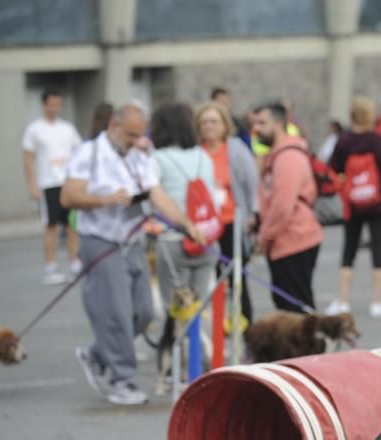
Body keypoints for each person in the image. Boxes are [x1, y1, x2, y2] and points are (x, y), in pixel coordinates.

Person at [61, 102, 203, 405]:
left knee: (144, 312)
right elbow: (68, 196)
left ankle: (98, 354)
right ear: (113, 127)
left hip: (132, 241)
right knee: (116, 312)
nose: (137, 141)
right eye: (131, 134)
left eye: (141, 134)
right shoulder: (89, 153)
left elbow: (158, 196)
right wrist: (106, 198)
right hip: (101, 241)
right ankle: (121, 379)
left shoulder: (140, 157)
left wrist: (185, 223)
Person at [327, 96, 381, 318]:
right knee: (378, 249)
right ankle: (377, 302)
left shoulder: (343, 141)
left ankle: (343, 300)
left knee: (349, 249)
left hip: (352, 202)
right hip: (378, 202)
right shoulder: (380, 142)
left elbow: (333, 168)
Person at [252, 102, 322, 312]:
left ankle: (310, 346)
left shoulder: (288, 157)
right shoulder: (278, 155)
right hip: (286, 239)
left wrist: (264, 237)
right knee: (288, 304)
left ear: (279, 123)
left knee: (295, 307)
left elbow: (283, 205)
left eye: (262, 123)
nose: (256, 129)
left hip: (294, 238)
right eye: (255, 123)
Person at [150, 103, 217, 317]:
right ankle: (201, 348)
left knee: (176, 310)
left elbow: (156, 197)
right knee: (200, 305)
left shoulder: (157, 159)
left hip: (173, 240)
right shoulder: (203, 156)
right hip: (205, 239)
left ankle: (179, 349)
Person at [195, 101, 258, 326]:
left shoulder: (235, 149)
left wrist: (253, 213)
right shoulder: (194, 151)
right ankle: (209, 331)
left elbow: (251, 183)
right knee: (204, 278)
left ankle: (246, 327)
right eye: (204, 122)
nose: (209, 126)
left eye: (214, 121)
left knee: (237, 278)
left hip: (231, 221)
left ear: (224, 125)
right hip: (203, 225)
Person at [22, 88, 83, 285]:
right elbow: (28, 158)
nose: (55, 107)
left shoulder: (67, 128)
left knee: (72, 225)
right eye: (52, 103)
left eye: (58, 103)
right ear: (44, 104)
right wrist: (32, 184)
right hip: (48, 184)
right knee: (51, 227)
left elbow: (79, 152)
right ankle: (51, 267)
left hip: (68, 184)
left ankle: (75, 264)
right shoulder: (34, 129)